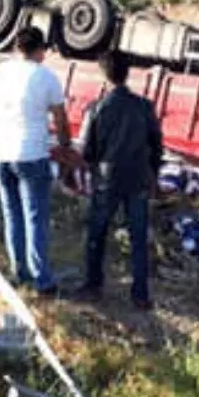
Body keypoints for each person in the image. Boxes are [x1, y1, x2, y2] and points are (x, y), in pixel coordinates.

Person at [0, 27, 70, 295]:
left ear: (16, 47)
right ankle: (42, 279)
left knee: (12, 214)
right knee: (35, 216)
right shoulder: (46, 76)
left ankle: (20, 273)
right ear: (40, 50)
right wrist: (65, 146)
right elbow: (60, 118)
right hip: (31, 153)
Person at [73, 50, 162, 311]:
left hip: (107, 177)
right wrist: (153, 175)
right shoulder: (145, 107)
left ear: (103, 76)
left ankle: (93, 284)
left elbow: (88, 150)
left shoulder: (97, 108)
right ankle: (141, 294)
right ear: (127, 74)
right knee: (138, 236)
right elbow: (157, 146)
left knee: (97, 231)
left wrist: (91, 170)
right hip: (138, 177)